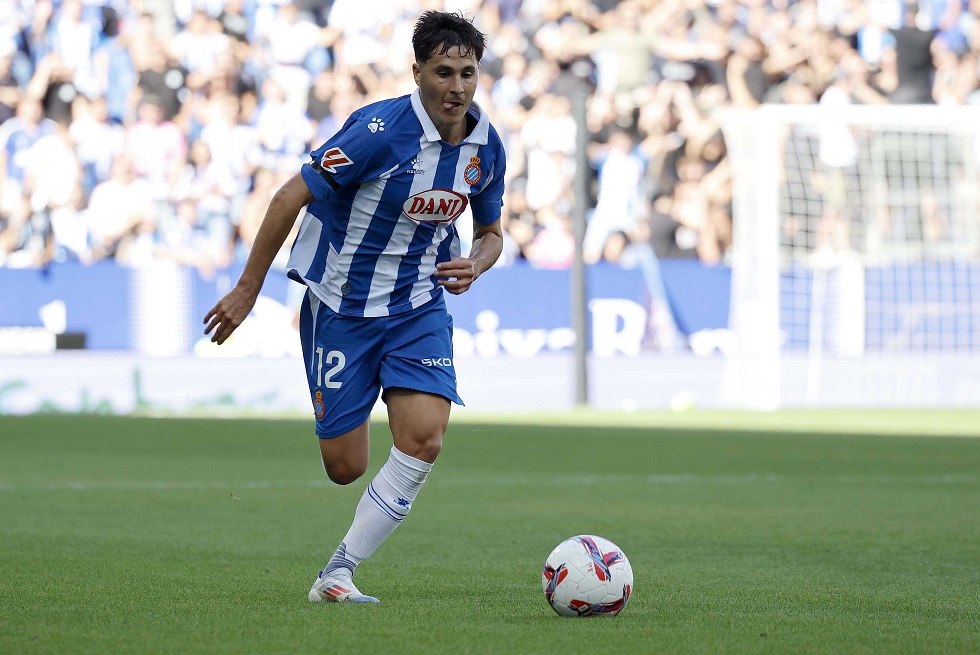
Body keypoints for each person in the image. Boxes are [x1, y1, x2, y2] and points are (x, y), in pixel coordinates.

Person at [202, 11, 505, 604]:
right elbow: (289, 195)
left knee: (425, 438)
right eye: (443, 72)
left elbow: (492, 232)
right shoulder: (377, 131)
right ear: (417, 72)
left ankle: (337, 574)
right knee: (345, 467)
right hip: (341, 306)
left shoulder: (485, 145)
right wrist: (247, 289)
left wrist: (477, 262)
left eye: (467, 73)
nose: (457, 87)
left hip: (418, 307)